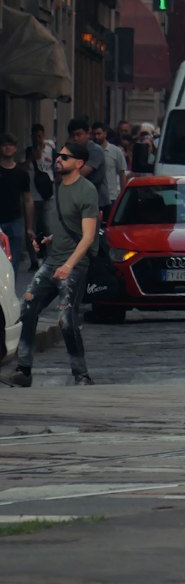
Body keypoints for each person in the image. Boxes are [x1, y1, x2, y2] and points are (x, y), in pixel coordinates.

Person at [11, 139, 98, 387]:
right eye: (59, 156)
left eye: (65, 157)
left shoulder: (87, 191)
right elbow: (67, 226)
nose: (58, 159)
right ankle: (23, 369)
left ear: (79, 163)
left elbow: (88, 236)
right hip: (52, 261)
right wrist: (49, 240)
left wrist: (69, 265)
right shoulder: (58, 186)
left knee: (66, 319)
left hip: (74, 265)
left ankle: (81, 374)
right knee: (27, 308)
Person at [0, 133, 32, 273]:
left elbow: (28, 200)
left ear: (15, 148)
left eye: (11, 145)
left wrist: (29, 227)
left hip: (15, 220)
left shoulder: (21, 173)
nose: (7, 148)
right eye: (4, 145)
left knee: (14, 262)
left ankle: (10, 292)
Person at [24, 124, 54, 266]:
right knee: (32, 229)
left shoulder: (50, 149)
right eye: (35, 136)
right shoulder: (28, 151)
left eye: (40, 136)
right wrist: (30, 158)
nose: (37, 139)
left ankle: (49, 258)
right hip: (31, 195)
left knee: (48, 226)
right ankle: (34, 260)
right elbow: (22, 168)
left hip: (47, 195)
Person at [66, 116, 108, 216]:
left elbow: (80, 173)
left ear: (87, 134)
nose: (76, 138)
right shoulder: (71, 150)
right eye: (73, 136)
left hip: (98, 203)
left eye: (79, 134)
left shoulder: (95, 150)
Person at [92, 121, 128, 201]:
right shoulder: (90, 151)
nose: (96, 137)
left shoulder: (116, 151)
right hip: (94, 197)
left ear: (105, 134)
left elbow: (122, 174)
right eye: (94, 134)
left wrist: (123, 195)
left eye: (99, 134)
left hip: (111, 196)